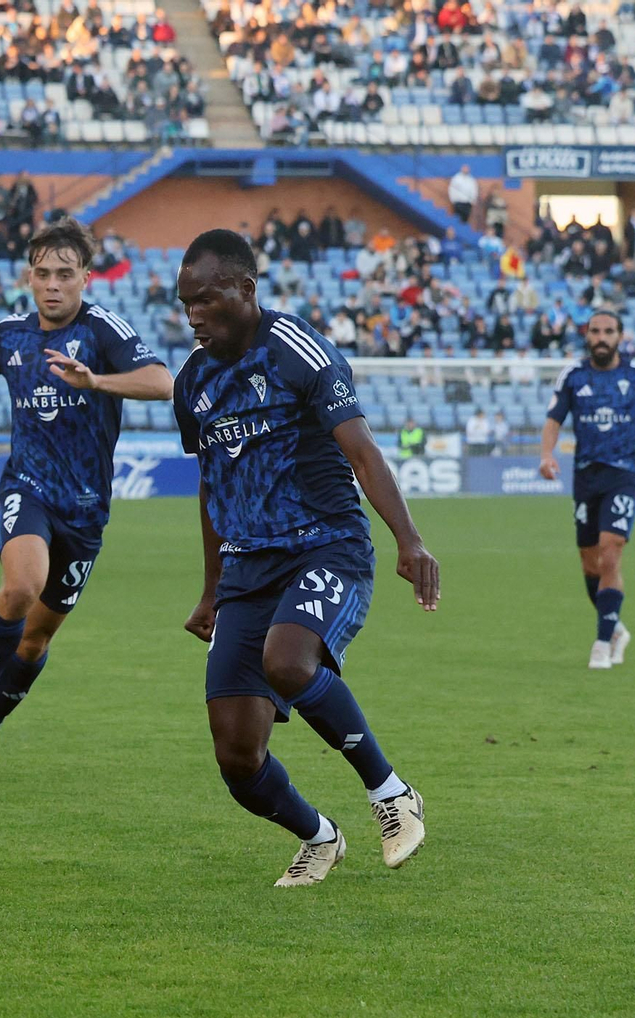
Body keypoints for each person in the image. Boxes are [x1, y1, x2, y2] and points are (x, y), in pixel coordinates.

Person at [170, 228, 435, 887]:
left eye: (206, 299)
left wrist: (409, 539)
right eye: (185, 304)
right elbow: (212, 484)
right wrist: (210, 589)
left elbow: (363, 452)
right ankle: (320, 837)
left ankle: (392, 795)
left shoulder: (298, 350)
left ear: (245, 290)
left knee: (288, 660)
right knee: (236, 756)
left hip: (327, 546)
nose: (195, 315)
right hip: (246, 569)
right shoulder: (193, 383)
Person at [0, 218, 173, 781]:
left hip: (86, 509)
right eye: (44, 273)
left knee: (35, 639)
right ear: (30, 277)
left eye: (65, 274)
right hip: (27, 487)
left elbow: (161, 381)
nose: (53, 284)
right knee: (21, 587)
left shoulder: (103, 331)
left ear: (85, 278)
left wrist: (96, 381)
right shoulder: (11, 335)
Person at [540, 310, 635, 670]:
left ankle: (602, 643)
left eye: (608, 331)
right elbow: (554, 420)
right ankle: (615, 626)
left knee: (610, 552)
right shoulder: (574, 376)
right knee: (591, 563)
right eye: (595, 332)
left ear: (620, 336)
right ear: (587, 336)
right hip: (586, 478)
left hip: (623, 475)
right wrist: (546, 454)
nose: (601, 337)